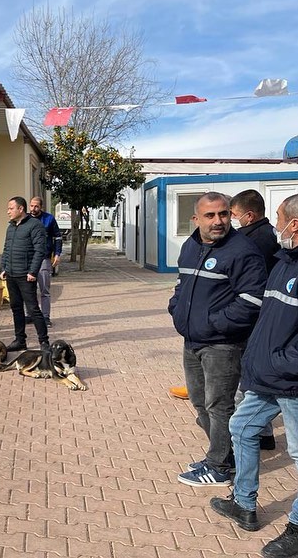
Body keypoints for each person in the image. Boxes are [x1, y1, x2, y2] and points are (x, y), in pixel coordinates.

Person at [210, 194, 298, 557]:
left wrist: (279, 362)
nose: (275, 226)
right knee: (242, 428)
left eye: (278, 219)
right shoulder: (285, 261)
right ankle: (244, 504)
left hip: (291, 381)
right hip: (267, 377)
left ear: (295, 225)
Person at [169, 192, 267, 487]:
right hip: (192, 340)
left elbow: (252, 300)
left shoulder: (242, 250)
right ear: (196, 219)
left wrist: (214, 324)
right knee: (200, 402)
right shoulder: (190, 246)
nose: (218, 221)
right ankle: (225, 455)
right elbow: (181, 284)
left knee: (219, 405)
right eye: (210, 216)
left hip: (222, 344)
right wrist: (176, 309)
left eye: (224, 214)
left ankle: (220, 466)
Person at [0, 196, 49, 352]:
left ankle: (44, 342)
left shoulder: (35, 226)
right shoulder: (11, 227)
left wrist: (33, 271)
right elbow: (7, 249)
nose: (8, 212)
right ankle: (20, 340)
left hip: (26, 276)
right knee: (16, 308)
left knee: (33, 309)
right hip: (11, 275)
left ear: (21, 209)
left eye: (11, 208)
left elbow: (40, 250)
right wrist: (3, 268)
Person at [27, 196, 63, 327]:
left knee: (44, 290)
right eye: (31, 206)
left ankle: (46, 317)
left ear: (41, 207)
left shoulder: (49, 219)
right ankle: (29, 314)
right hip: (28, 259)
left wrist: (57, 254)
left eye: (36, 206)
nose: (33, 209)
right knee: (28, 289)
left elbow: (58, 237)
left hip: (44, 258)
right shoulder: (25, 219)